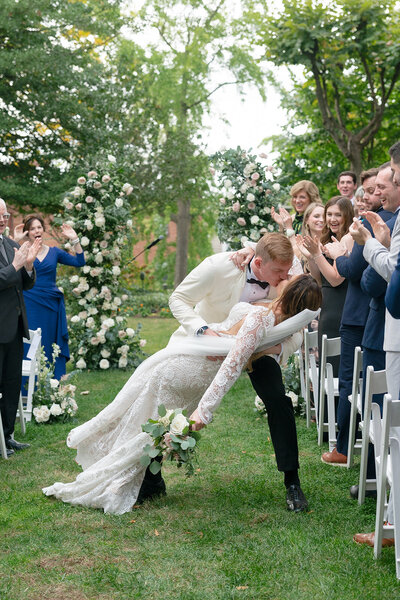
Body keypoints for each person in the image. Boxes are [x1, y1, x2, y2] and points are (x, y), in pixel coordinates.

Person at [42, 274, 321, 515]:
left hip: (184, 367)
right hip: (187, 371)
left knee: (149, 425)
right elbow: (232, 365)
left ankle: (148, 483)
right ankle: (135, 483)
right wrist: (205, 410)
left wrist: (206, 406)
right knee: (150, 427)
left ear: (288, 294)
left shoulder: (267, 316)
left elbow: (236, 360)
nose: (284, 276)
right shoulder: (264, 314)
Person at [166, 232, 310, 512]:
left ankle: (292, 482)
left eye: (287, 270)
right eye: (279, 272)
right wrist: (201, 330)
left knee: (279, 401)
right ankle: (151, 475)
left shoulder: (287, 274)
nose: (285, 277)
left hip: (261, 350)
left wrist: (275, 350)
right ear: (257, 263)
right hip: (210, 342)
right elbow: (179, 298)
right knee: (176, 399)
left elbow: (296, 330)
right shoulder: (219, 266)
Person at [319, 166, 395, 466]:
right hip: (373, 315)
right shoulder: (379, 221)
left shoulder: (372, 225)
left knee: (353, 381)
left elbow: (353, 273)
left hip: (361, 314)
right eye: (369, 190)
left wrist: (339, 254)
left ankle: (346, 449)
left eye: (376, 189)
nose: (371, 195)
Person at [16, 215, 85, 380]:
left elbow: (80, 262)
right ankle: (27, 386)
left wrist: (75, 239)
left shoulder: (54, 252)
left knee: (49, 343)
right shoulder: (22, 252)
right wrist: (16, 240)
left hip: (50, 306)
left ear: (43, 230)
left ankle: (52, 386)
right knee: (30, 342)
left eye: (39, 227)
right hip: (30, 303)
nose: (36, 230)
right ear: (28, 233)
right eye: (32, 228)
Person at [0, 199, 40, 457]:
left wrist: (27, 265)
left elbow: (25, 284)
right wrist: (15, 266)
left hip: (14, 327)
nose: (4, 220)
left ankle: (6, 435)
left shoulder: (11, 244)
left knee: (13, 384)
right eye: (0, 216)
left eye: (5, 215)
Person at [296, 196, 354, 377]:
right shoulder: (328, 240)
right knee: (327, 367)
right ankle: (328, 405)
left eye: (338, 214)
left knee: (337, 368)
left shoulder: (348, 239)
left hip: (340, 306)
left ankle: (339, 405)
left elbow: (337, 279)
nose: (332, 219)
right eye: (329, 214)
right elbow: (320, 280)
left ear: (347, 215)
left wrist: (317, 255)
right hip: (327, 307)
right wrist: (311, 255)